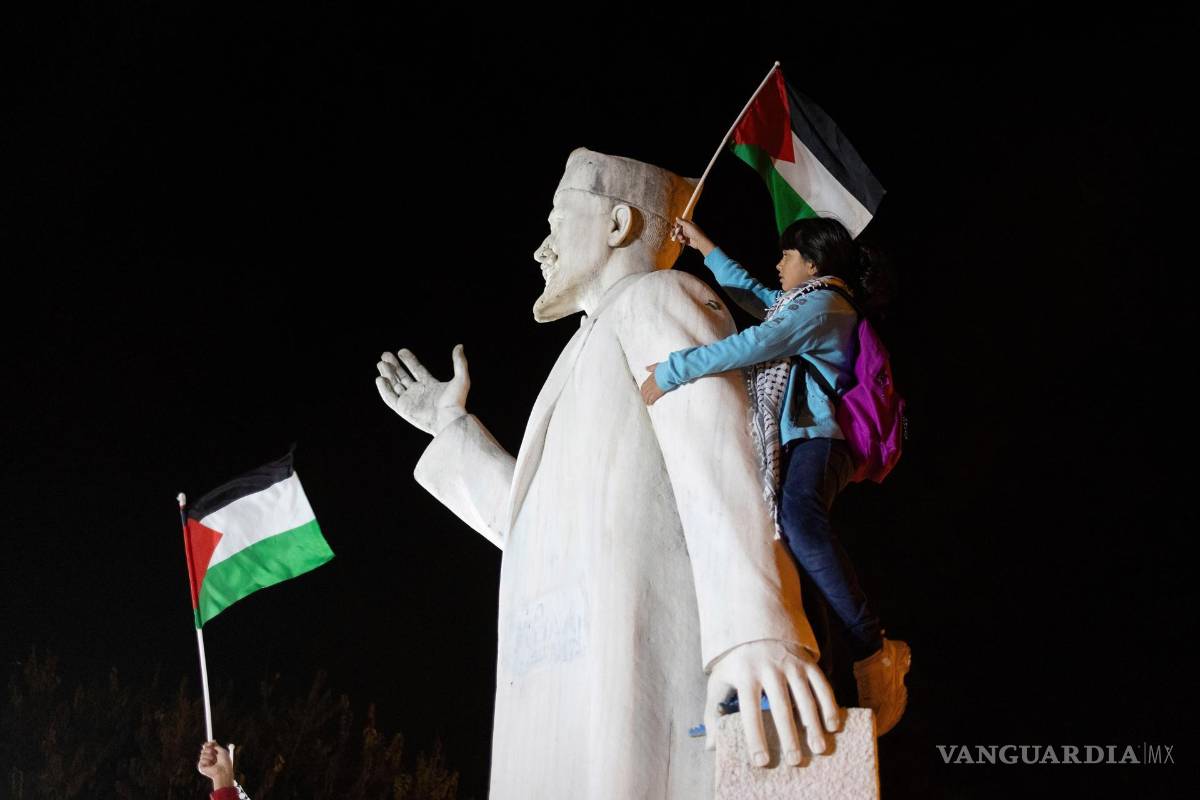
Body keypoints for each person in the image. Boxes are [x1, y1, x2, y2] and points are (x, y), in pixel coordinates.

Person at [374, 149, 843, 799]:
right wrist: (451, 429)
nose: (541, 249)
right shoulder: (575, 356)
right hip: (554, 688)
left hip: (637, 666)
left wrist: (754, 622)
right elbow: (539, 527)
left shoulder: (666, 296)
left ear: (619, 223)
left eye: (556, 222)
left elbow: (716, 448)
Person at [640, 216, 911, 736]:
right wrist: (706, 246)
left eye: (787, 255)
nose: (778, 263)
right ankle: (818, 674)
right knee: (790, 548)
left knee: (798, 520)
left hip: (820, 441)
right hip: (798, 442)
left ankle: (872, 646)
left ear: (812, 264)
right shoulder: (805, 305)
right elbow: (757, 296)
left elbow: (756, 343)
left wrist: (672, 371)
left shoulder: (826, 307)